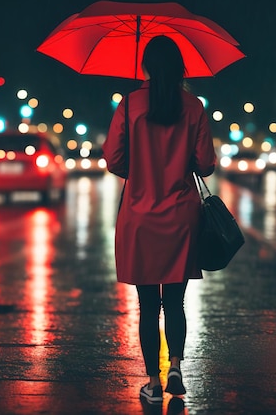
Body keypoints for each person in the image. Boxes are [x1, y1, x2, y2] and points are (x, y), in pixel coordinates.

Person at [102, 35, 216, 405]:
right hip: (181, 217)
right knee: (176, 302)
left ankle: (152, 382)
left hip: (139, 217)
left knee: (148, 305)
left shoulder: (131, 104)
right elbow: (207, 164)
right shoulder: (193, 106)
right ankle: (177, 368)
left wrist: (142, 167)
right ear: (181, 67)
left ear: (146, 66)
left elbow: (114, 159)